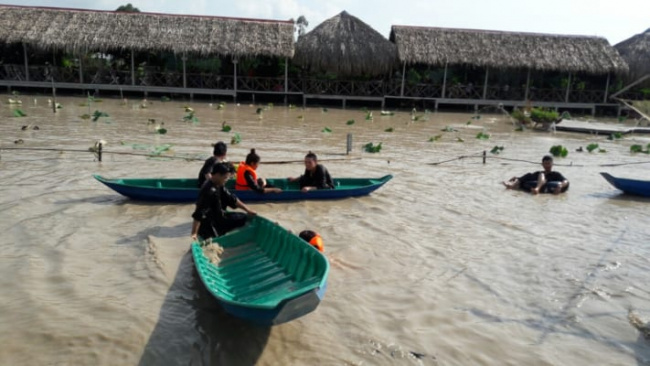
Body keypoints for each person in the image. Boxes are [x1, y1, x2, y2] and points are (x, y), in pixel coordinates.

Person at [191, 162, 257, 241]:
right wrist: (194, 233)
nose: (226, 180)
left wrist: (248, 210)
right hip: (209, 224)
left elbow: (232, 199)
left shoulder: (219, 184)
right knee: (214, 239)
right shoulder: (208, 191)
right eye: (225, 178)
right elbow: (199, 213)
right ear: (218, 175)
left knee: (243, 217)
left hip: (219, 217)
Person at [503, 155, 570, 195]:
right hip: (538, 182)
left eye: (549, 164)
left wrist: (560, 186)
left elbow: (566, 181)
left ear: (552, 164)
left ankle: (537, 189)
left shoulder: (555, 174)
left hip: (547, 186)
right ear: (542, 164)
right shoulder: (537, 173)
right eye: (545, 164)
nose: (547, 166)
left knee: (541, 174)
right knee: (530, 174)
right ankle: (511, 186)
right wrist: (516, 178)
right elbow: (526, 177)